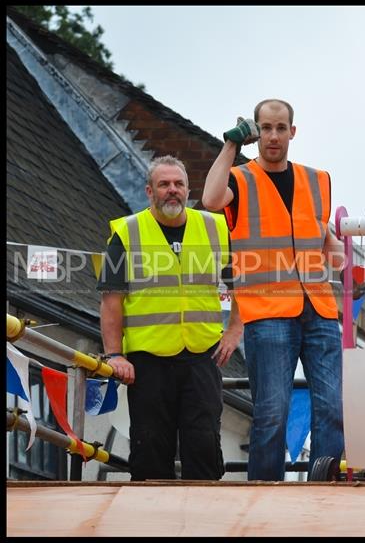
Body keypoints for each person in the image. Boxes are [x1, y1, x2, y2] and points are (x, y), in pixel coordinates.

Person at [202, 99, 345, 481]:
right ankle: (264, 493)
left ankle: (326, 484)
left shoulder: (316, 180)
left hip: (320, 310)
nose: (273, 136)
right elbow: (211, 199)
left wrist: (336, 252)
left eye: (281, 128)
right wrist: (231, 145)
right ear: (257, 132)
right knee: (272, 412)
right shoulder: (241, 178)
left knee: (332, 406)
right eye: (265, 128)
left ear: (292, 132)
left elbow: (319, 231)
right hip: (267, 314)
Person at [98, 155, 242, 481]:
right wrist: (115, 354)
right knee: (149, 447)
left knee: (204, 442)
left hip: (201, 356)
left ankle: (205, 525)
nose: (172, 191)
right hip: (147, 361)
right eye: (164, 185)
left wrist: (235, 329)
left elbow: (244, 285)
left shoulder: (214, 227)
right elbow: (110, 301)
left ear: (188, 190)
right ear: (150, 191)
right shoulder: (127, 233)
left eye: (178, 184)